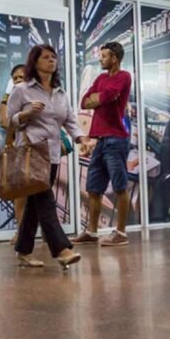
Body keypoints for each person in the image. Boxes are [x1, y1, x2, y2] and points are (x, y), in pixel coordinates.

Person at [5, 44, 84, 270]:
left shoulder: (60, 92)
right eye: (46, 57)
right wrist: (27, 114)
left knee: (34, 204)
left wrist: (81, 139)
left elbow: (69, 120)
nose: (51, 60)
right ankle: (62, 249)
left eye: (53, 57)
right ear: (35, 62)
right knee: (46, 200)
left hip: (52, 154)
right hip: (31, 154)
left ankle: (23, 250)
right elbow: (9, 121)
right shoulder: (22, 90)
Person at [73, 41, 134, 247]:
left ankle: (121, 233)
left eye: (104, 55)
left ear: (114, 58)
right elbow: (85, 101)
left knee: (120, 187)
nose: (101, 59)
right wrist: (97, 99)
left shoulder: (124, 77)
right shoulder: (100, 77)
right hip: (99, 139)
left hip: (116, 139)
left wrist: (98, 98)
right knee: (93, 188)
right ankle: (92, 231)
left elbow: (106, 96)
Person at [0, 64, 28, 242]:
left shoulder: (36, 95)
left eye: (22, 77)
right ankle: (21, 233)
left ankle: (49, 234)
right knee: (20, 195)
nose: (18, 81)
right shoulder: (8, 99)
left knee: (40, 194)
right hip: (18, 150)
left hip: (37, 151)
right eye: (15, 78)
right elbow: (4, 121)